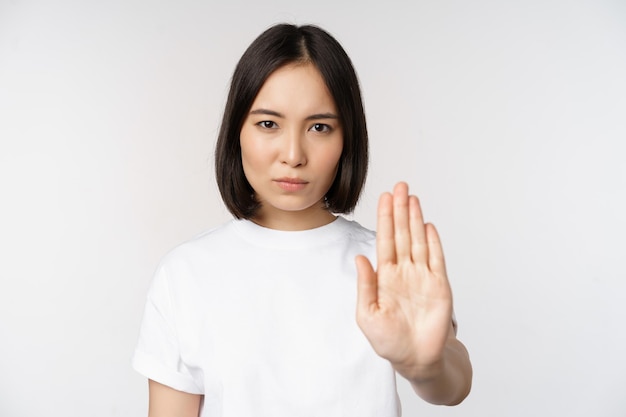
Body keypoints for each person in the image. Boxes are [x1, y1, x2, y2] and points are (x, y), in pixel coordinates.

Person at [132, 23, 472, 417]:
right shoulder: (185, 274)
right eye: (268, 124)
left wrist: (424, 366)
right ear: (236, 131)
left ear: (347, 139)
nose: (293, 154)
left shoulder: (386, 267)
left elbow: (454, 385)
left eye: (319, 127)